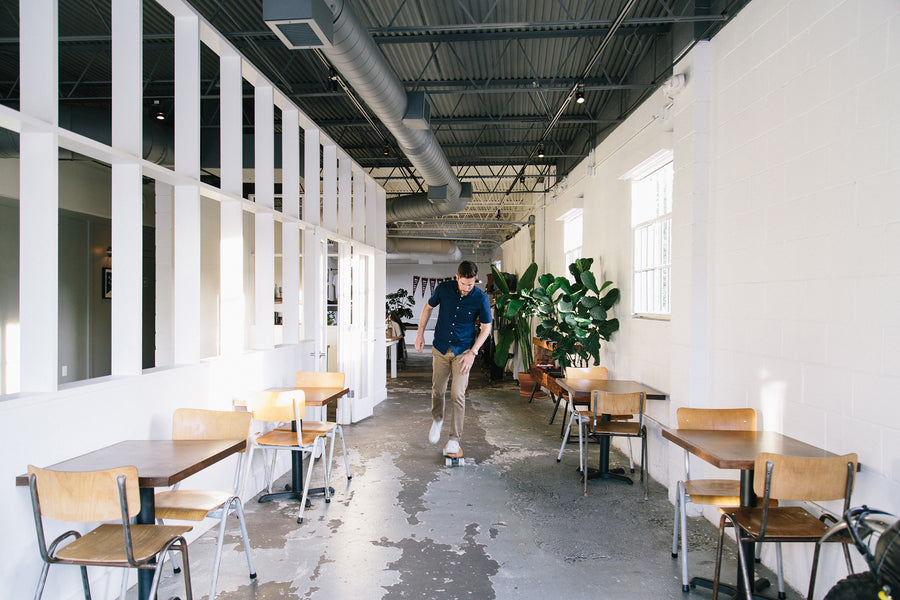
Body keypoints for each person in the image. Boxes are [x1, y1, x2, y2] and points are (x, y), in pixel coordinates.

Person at [414, 261, 493, 458]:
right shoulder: (443, 289)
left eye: (471, 284)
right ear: (456, 277)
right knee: (438, 390)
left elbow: (486, 328)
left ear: (475, 280)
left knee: (458, 394)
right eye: (463, 283)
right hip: (440, 348)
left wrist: (472, 353)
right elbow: (427, 307)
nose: (467, 288)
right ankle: (437, 419)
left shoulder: (481, 298)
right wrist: (419, 333)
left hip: (463, 353)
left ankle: (454, 439)